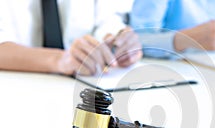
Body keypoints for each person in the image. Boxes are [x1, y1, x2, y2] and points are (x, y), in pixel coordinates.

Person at [0, 0, 142, 76]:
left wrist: (118, 40)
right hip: (18, 86)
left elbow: (107, 19)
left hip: (81, 84)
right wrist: (60, 60)